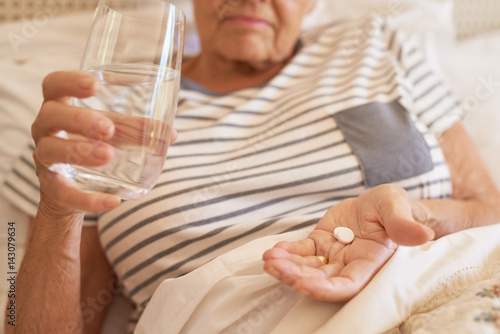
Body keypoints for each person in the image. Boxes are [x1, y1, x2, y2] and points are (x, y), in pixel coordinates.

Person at [4, 0, 500, 333]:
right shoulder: (102, 114)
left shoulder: (375, 44)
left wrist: (413, 216)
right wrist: (56, 210)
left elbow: (489, 209)